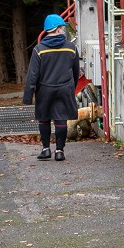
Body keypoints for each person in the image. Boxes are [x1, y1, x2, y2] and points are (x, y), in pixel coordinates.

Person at [21, 14, 82, 161]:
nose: (63, 30)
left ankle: (46, 149)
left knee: (44, 118)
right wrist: (72, 87)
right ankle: (59, 151)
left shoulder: (39, 49)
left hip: (44, 89)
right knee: (61, 120)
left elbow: (32, 75)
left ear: (47, 30)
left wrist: (28, 97)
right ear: (59, 28)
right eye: (62, 27)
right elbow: (76, 71)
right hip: (64, 88)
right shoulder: (71, 48)